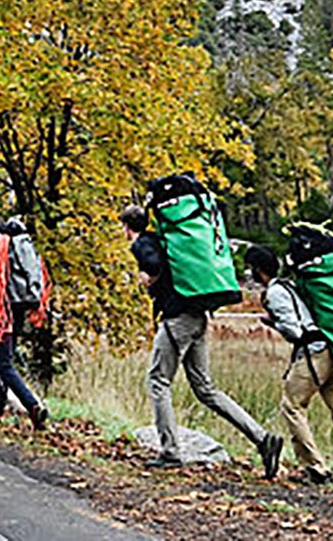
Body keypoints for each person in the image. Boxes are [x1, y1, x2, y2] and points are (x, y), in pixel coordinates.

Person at [120, 202, 285, 478]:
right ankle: (262, 438)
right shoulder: (165, 239)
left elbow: (152, 264)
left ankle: (170, 452)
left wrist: (148, 276)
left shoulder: (143, 243)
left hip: (178, 318)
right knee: (206, 390)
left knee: (158, 381)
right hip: (197, 315)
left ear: (126, 227)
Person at [242, 239, 333, 486]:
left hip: (312, 355)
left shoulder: (275, 293)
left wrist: (273, 323)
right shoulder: (289, 286)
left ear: (259, 269)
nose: (250, 273)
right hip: (329, 352)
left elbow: (294, 330)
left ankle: (315, 468)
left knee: (291, 406)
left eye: (251, 268)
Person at [0, 217, 52, 429]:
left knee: (4, 364)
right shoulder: (20, 251)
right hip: (19, 308)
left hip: (2, 311)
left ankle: (32, 406)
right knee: (4, 359)